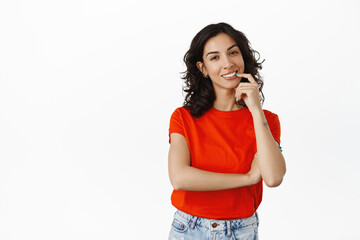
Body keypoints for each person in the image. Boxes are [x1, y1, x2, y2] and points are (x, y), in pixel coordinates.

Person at [167, 22, 286, 240]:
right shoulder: (183, 117)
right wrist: (248, 178)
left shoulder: (267, 120)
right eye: (215, 57)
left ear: (243, 58)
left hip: (241, 231)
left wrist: (256, 109)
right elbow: (180, 178)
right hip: (188, 230)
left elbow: (273, 177)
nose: (228, 63)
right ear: (202, 68)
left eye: (233, 53)